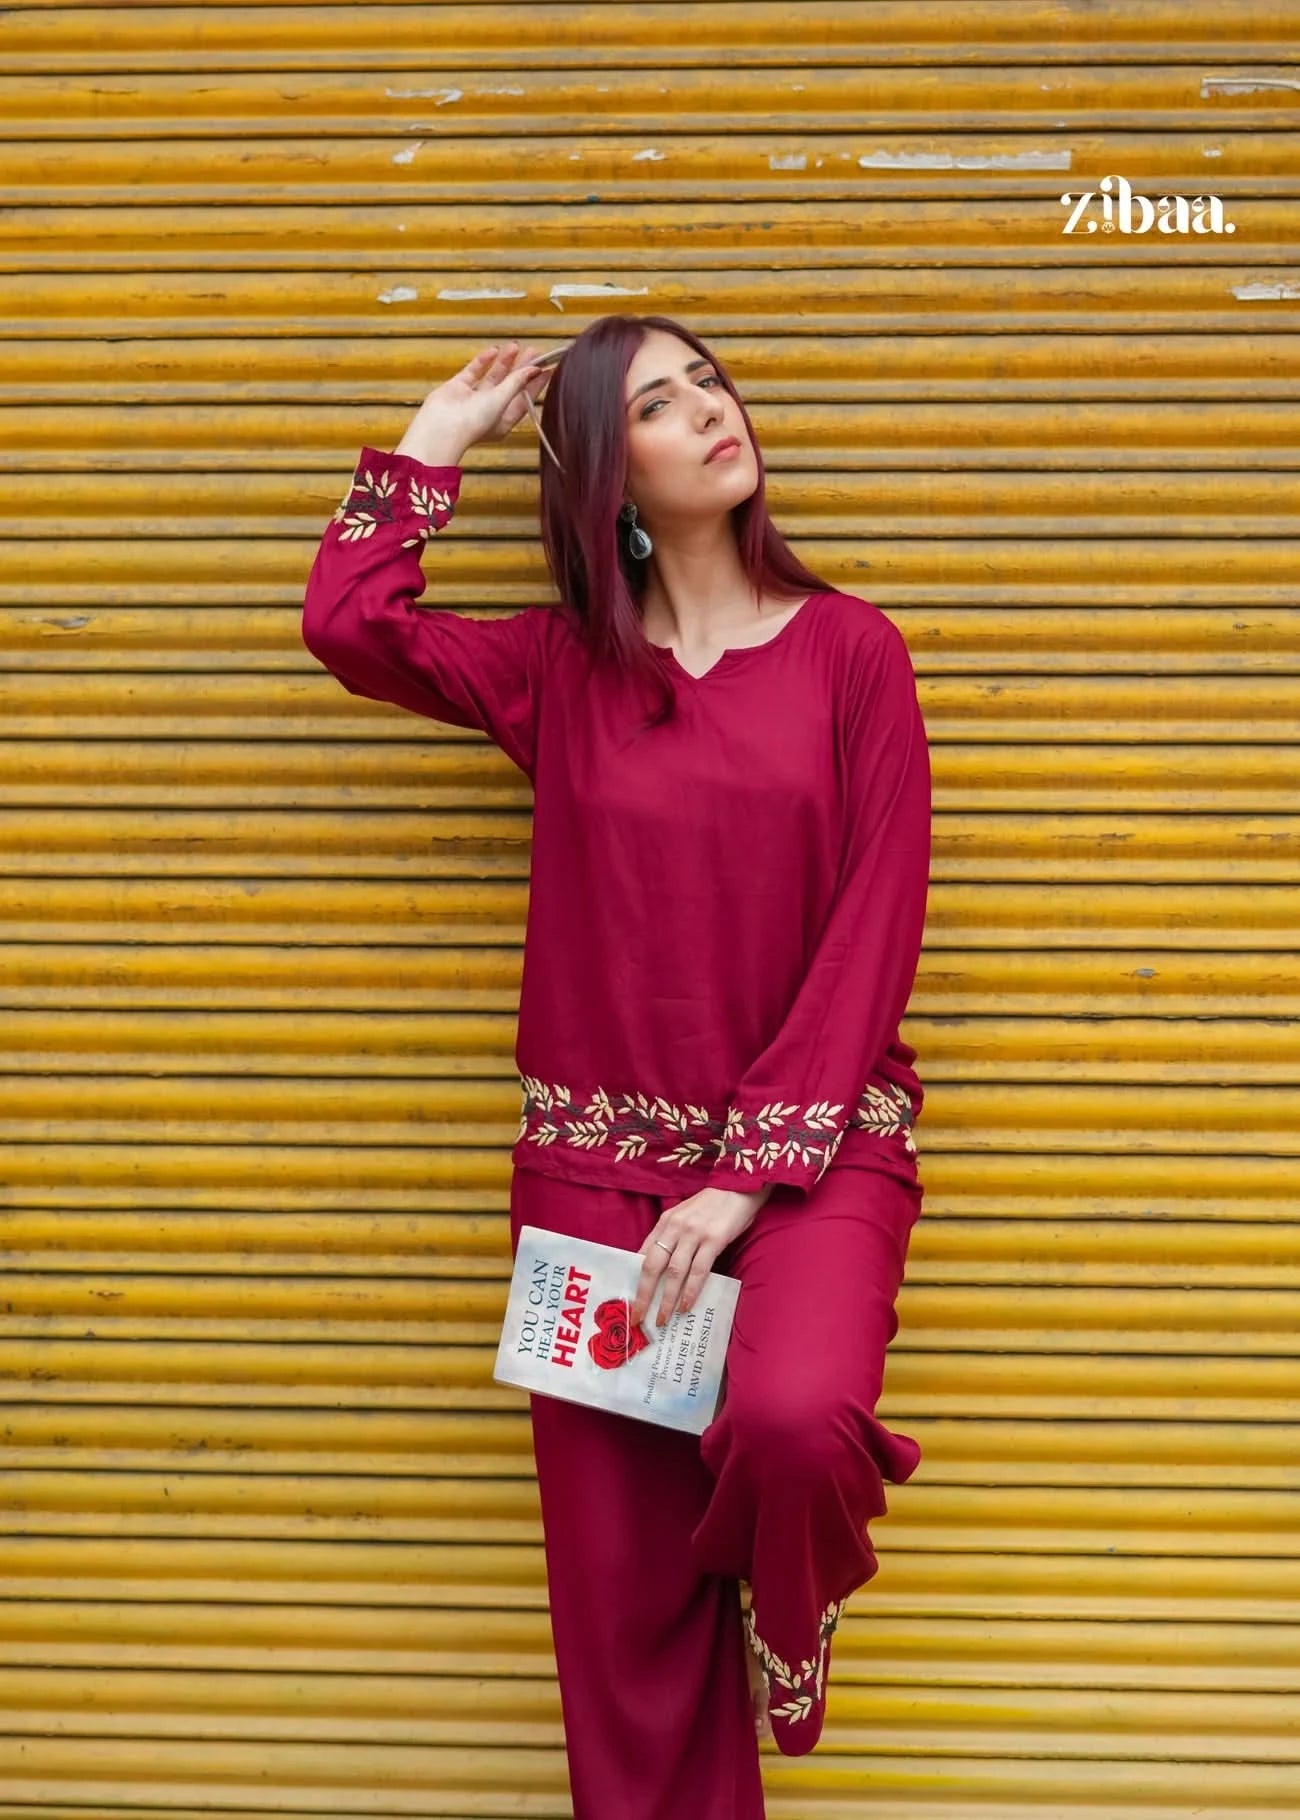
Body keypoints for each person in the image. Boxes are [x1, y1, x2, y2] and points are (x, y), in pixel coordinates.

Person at [301, 318, 932, 1820]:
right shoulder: (562, 672)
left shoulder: (853, 652)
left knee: (793, 1423)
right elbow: (351, 624)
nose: (711, 410)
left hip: (814, 1161)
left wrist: (743, 1179)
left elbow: (876, 923)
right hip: (592, 1181)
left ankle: (792, 1616)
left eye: (708, 381)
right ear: (608, 477)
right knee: (627, 1619)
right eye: (658, 402)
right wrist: (437, 439)